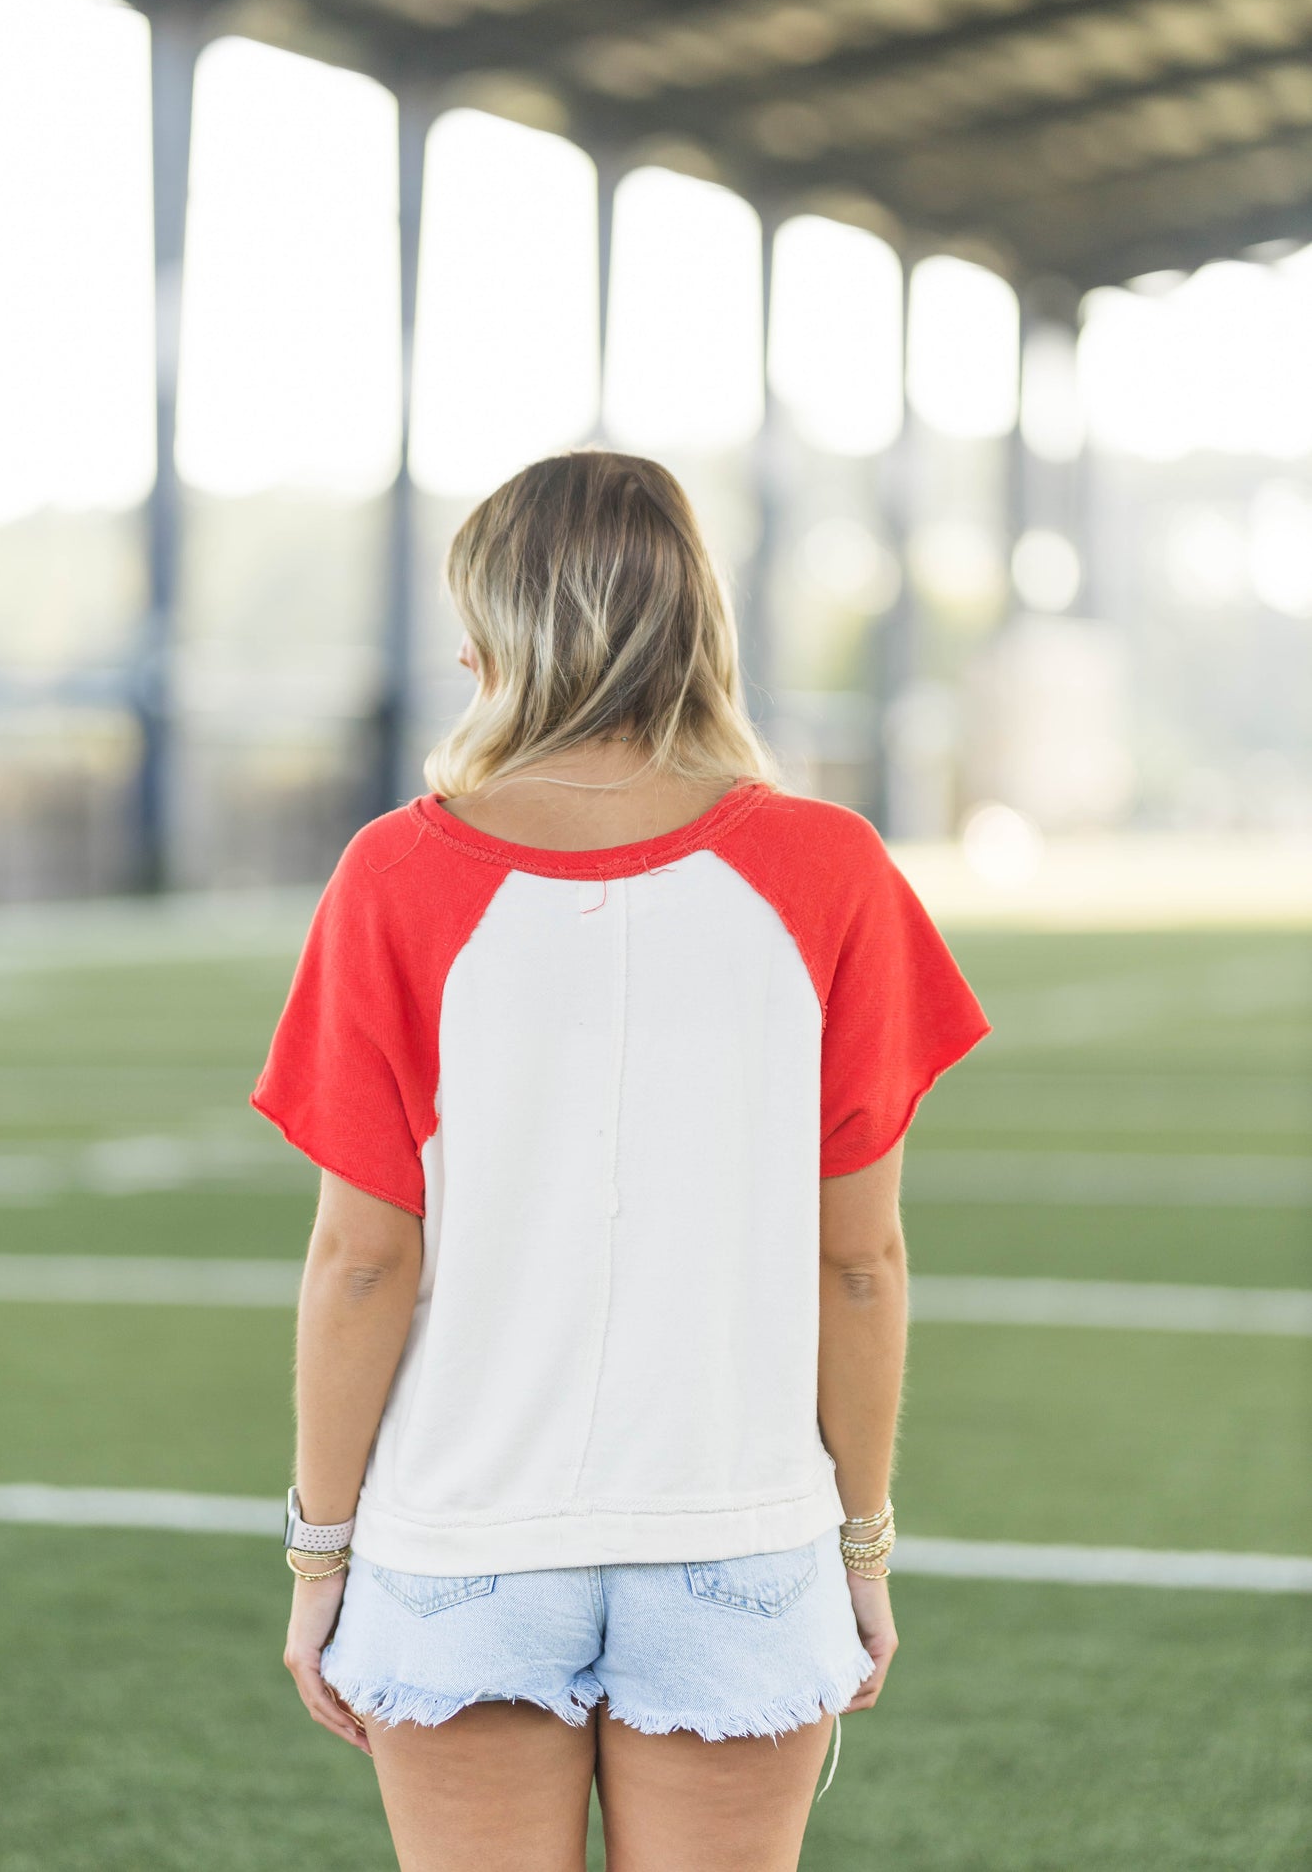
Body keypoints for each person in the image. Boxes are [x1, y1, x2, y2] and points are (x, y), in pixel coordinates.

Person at [251, 448, 992, 1872]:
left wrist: (318, 1557)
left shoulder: (391, 877)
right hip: (741, 1533)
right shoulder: (830, 869)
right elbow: (860, 1259)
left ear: (487, 642)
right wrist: (858, 1544)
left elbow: (360, 1261)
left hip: (461, 1542)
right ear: (696, 624)